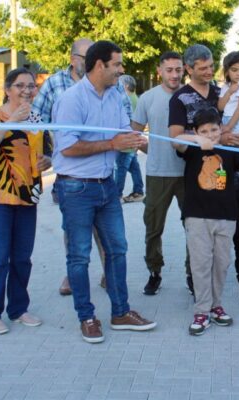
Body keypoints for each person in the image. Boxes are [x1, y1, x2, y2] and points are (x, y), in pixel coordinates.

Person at [52, 40, 157, 344]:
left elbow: (126, 134)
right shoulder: (71, 100)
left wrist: (150, 146)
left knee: (117, 249)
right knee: (79, 256)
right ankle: (86, 317)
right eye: (117, 64)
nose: (122, 70)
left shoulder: (116, 95)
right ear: (100, 65)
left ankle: (120, 313)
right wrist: (113, 144)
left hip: (107, 186)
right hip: (75, 187)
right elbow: (67, 147)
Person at [169, 44, 239, 311]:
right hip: (200, 179)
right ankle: (199, 289)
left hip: (233, 173)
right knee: (199, 236)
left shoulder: (224, 89)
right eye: (203, 68)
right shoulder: (180, 98)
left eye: (211, 66)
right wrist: (207, 139)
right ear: (189, 69)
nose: (210, 71)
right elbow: (174, 139)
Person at [173, 108, 239, 336]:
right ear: (196, 131)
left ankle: (215, 306)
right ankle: (201, 311)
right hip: (197, 217)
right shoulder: (192, 149)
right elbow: (176, 141)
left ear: (221, 128)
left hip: (226, 217)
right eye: (204, 131)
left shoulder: (228, 150)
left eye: (214, 130)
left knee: (221, 264)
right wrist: (197, 140)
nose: (210, 135)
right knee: (201, 264)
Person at [0, 68, 52, 334]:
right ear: (7, 90)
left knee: (22, 258)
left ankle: (18, 309)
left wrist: (47, 161)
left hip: (27, 197)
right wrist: (11, 122)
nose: (27, 91)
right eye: (20, 86)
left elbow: (47, 152)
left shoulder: (37, 119)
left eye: (31, 86)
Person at [30, 38, 104, 297]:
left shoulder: (107, 82)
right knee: (74, 228)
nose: (93, 62)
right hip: (70, 174)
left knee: (105, 226)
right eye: (86, 57)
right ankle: (73, 274)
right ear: (73, 60)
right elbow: (35, 121)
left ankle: (109, 272)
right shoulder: (54, 84)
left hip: (102, 170)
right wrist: (45, 155)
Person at [133, 51, 189, 295]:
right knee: (153, 228)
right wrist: (150, 149)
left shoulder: (191, 96)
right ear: (160, 71)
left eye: (178, 70)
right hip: (157, 173)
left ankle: (192, 274)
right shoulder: (148, 98)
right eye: (169, 70)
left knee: (193, 227)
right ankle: (154, 272)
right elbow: (134, 132)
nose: (174, 75)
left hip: (188, 174)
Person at [116, 74, 145, 203]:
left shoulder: (128, 99)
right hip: (132, 140)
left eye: (120, 84)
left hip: (127, 140)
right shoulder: (135, 99)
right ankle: (138, 191)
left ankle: (117, 195)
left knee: (121, 168)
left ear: (126, 86)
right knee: (134, 167)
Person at [218, 51, 239, 136]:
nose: (238, 73)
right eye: (234, 70)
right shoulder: (226, 86)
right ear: (227, 71)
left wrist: (229, 126)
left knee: (233, 141)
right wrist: (229, 92)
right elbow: (220, 107)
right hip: (226, 119)